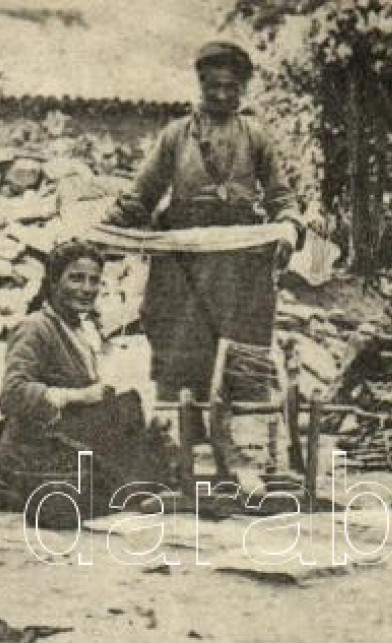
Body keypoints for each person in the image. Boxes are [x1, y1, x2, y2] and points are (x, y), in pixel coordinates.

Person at [102, 39, 304, 485]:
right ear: (200, 84)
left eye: (231, 88)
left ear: (243, 90)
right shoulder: (176, 136)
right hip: (184, 262)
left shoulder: (257, 137)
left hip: (240, 263)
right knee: (180, 346)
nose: (221, 95)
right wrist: (108, 226)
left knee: (243, 354)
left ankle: (246, 451)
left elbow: (282, 197)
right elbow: (142, 193)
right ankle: (179, 453)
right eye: (212, 86)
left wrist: (288, 225)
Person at [0, 240, 170, 523]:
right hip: (34, 443)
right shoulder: (34, 327)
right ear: (53, 280)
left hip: (67, 432)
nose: (86, 288)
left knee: (135, 417)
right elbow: (12, 395)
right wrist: (80, 396)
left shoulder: (83, 329)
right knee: (123, 466)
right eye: (76, 278)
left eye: (94, 281)